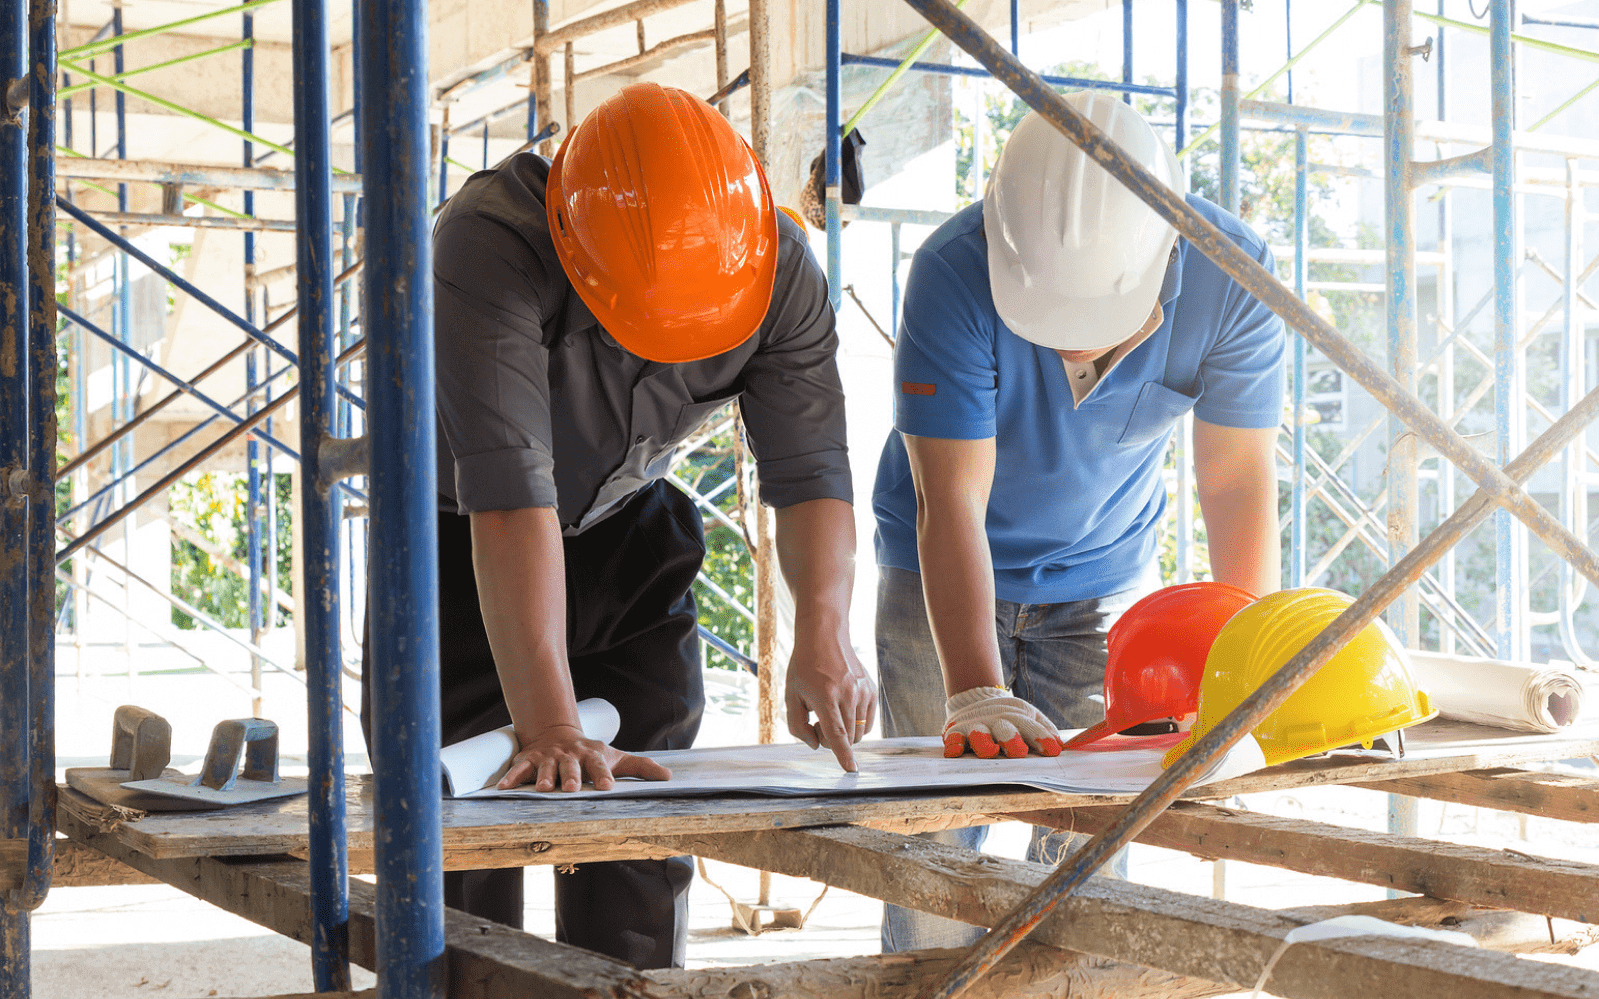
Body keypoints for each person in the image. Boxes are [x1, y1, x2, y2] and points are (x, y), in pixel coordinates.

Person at [362, 82, 876, 971]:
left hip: (627, 528)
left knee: (638, 826)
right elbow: (509, 490)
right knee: (458, 843)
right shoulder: (487, 240)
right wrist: (552, 721)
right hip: (459, 545)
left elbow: (810, 471)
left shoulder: (774, 260)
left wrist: (823, 633)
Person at [870, 91, 1285, 951]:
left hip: (1100, 577)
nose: (1066, 349)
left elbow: (1236, 481)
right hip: (936, 575)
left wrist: (1243, 674)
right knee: (930, 852)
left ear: (1165, 253)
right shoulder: (954, 270)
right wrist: (975, 689)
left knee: (1090, 850)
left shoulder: (1234, 275)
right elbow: (951, 500)